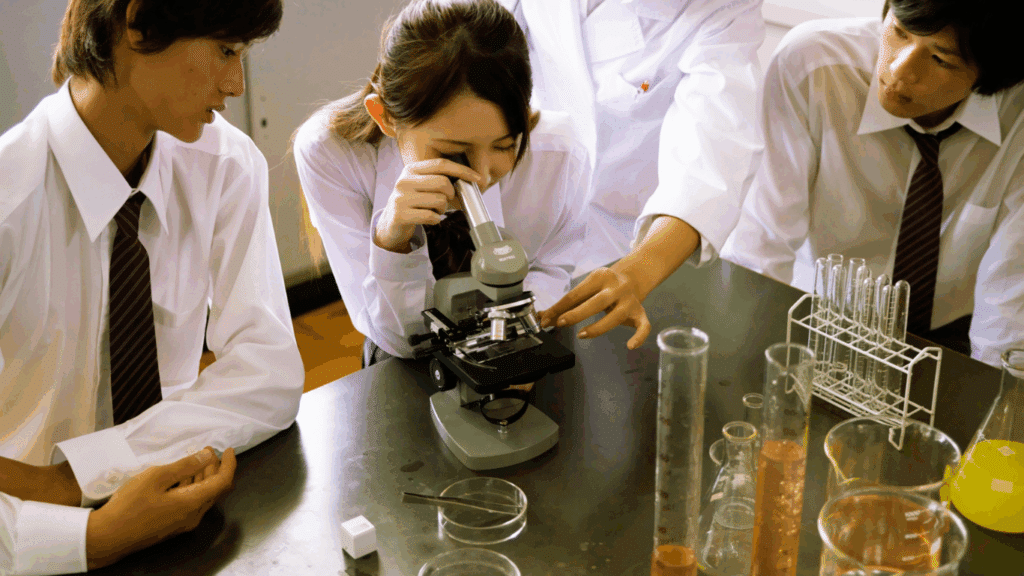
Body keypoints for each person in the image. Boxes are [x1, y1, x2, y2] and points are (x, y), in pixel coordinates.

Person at [0, 0, 304, 572]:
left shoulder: (227, 166)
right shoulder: (9, 200)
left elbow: (272, 373)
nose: (236, 84)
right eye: (225, 51)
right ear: (137, 25)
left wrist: (75, 478)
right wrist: (92, 534)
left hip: (177, 513)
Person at [722, 0, 1024, 366]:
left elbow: (1010, 303)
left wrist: (1000, 406)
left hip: (952, 340)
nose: (900, 70)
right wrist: (746, 357)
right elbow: (760, 248)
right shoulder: (813, 66)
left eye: (940, 59)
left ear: (989, 76)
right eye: (899, 32)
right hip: (815, 318)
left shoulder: (1018, 114)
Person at [293, 0, 589, 366]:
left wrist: (511, 341)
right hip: (400, 357)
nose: (481, 177)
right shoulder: (330, 152)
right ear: (385, 117)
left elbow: (550, 271)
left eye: (504, 145)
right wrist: (393, 239)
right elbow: (396, 338)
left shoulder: (559, 153)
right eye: (454, 151)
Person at [498, 0, 766, 349]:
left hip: (617, 249)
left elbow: (710, 164)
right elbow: (447, 43)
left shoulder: (724, 11)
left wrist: (636, 271)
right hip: (505, 210)